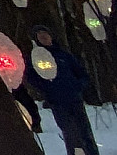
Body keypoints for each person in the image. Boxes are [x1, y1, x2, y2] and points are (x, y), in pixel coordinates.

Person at [25, 25, 100, 155]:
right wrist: (47, 88)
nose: (43, 36)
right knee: (70, 133)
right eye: (40, 35)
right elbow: (31, 78)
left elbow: (82, 74)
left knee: (84, 132)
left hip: (75, 99)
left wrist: (78, 85)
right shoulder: (36, 59)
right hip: (57, 102)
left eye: (45, 33)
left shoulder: (64, 55)